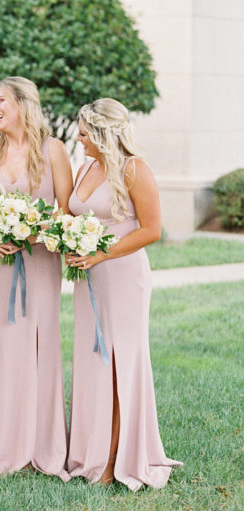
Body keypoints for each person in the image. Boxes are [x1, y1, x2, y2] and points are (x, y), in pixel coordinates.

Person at [66, 98, 181, 489]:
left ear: (101, 133)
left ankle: (117, 458)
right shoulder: (86, 166)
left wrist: (100, 254)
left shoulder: (134, 169)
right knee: (93, 360)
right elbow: (76, 215)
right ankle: (91, 450)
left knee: (118, 363)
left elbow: (151, 229)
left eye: (83, 132)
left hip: (122, 276)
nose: (78, 138)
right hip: (89, 278)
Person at [0, 77, 73, 479]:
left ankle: (40, 446)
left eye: (0, 100)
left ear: (23, 102)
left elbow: (65, 210)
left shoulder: (53, 150)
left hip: (40, 263)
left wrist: (32, 232)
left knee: (38, 343)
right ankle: (1, 445)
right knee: (0, 346)